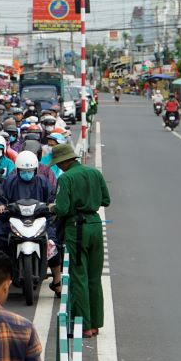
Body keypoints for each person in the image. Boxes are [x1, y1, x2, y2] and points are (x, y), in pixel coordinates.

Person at [51, 143, 109, 338]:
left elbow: (62, 209)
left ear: (64, 161)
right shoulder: (94, 173)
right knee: (94, 276)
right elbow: (106, 200)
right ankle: (95, 324)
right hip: (95, 224)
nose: (58, 166)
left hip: (76, 228)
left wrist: (52, 207)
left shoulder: (66, 178)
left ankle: (83, 326)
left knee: (79, 277)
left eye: (58, 163)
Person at [0, 151, 61, 294]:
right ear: (18, 170)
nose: (27, 173)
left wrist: (51, 205)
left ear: (35, 170)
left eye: (30, 171)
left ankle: (57, 281)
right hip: (15, 220)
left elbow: (52, 196)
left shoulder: (42, 181)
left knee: (53, 245)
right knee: (1, 245)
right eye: (24, 171)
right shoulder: (10, 182)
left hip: (40, 219)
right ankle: (1, 281)